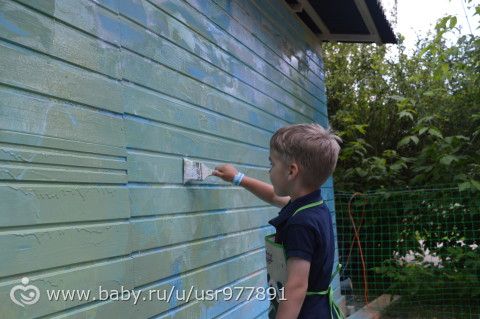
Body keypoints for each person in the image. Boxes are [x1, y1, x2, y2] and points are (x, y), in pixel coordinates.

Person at [213, 123, 343, 319]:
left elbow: (296, 286)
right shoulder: (313, 207)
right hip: (319, 309)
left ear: (291, 171)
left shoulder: (300, 224)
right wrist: (237, 178)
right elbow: (274, 197)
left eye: (272, 164)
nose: (269, 171)